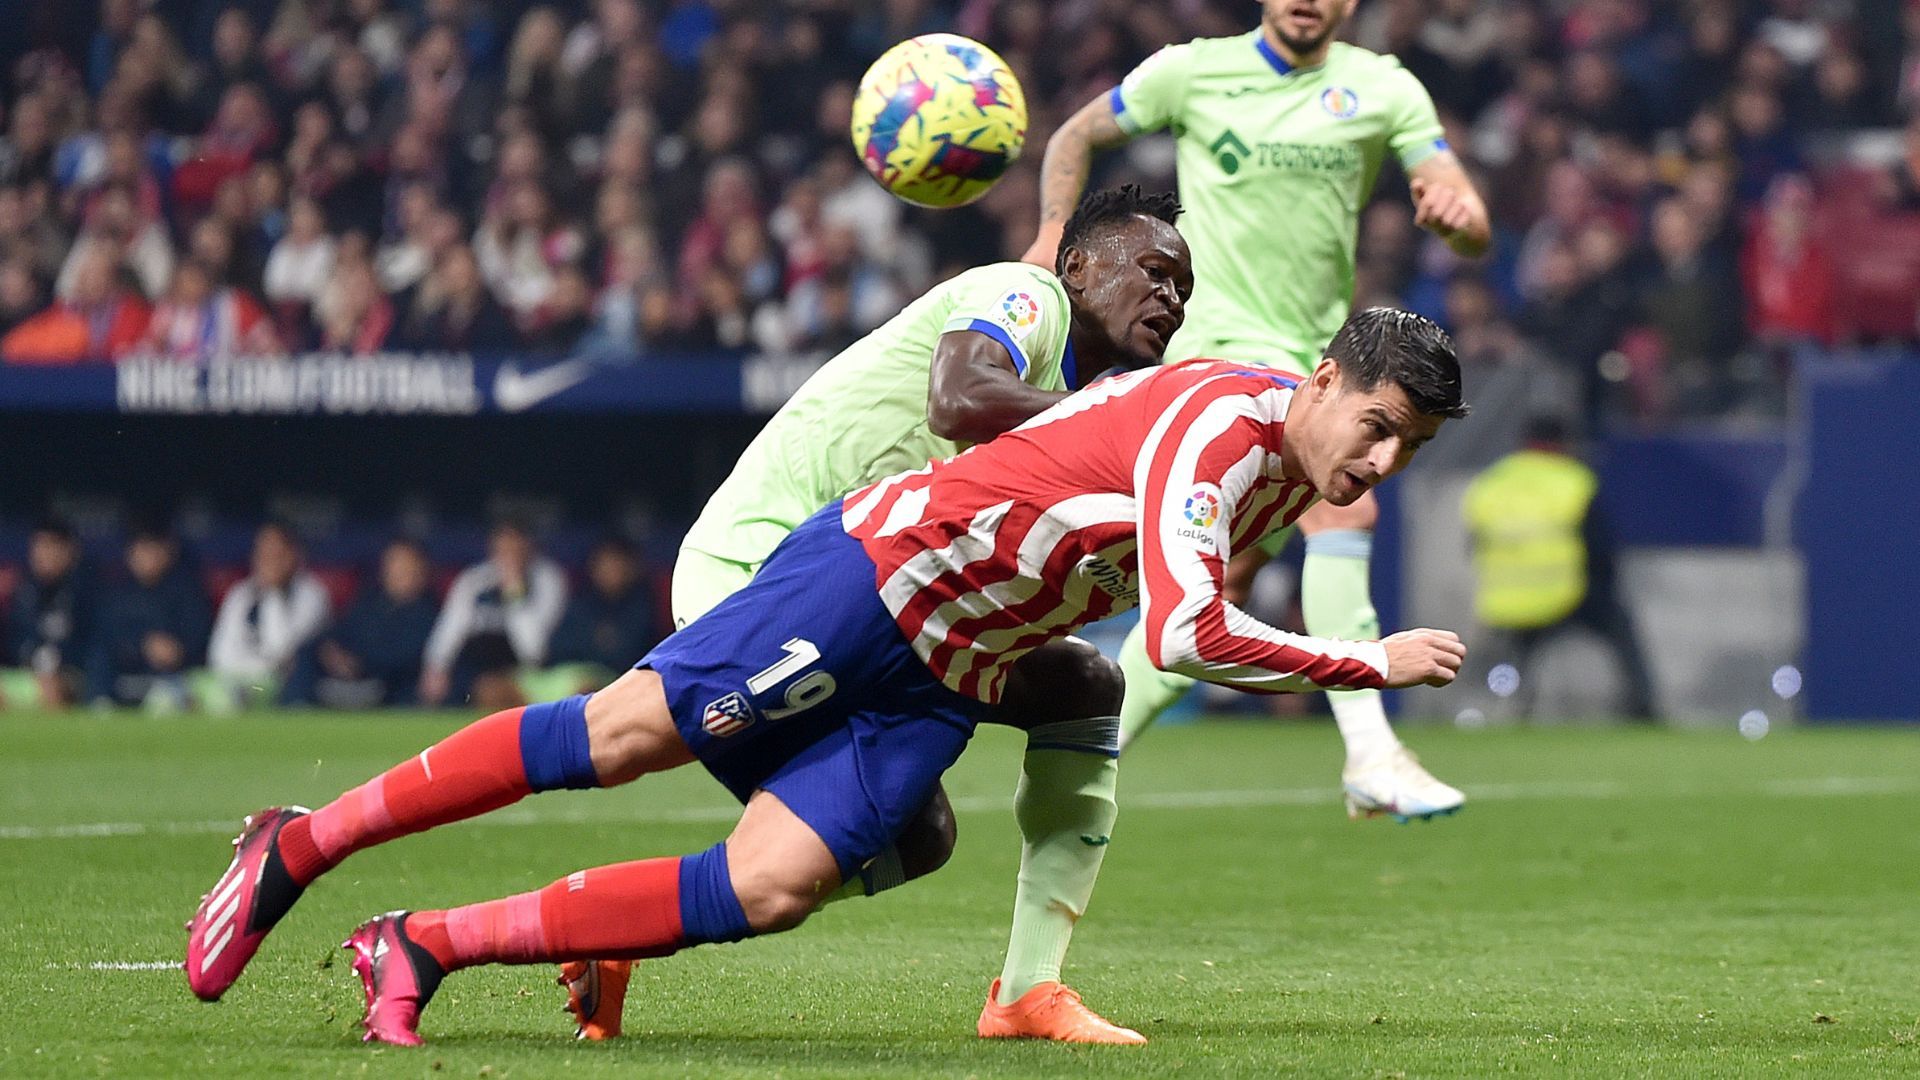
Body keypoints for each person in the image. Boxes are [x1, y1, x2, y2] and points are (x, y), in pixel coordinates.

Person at [182, 307, 1470, 1048]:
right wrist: (1375, 663)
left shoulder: (1287, 480)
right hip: (876, 578)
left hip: (949, 668)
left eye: (1402, 449)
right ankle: (302, 845)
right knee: (622, 737)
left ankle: (417, 946)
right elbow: (1186, 635)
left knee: (775, 883)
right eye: (1374, 427)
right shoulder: (1219, 437)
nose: (1379, 462)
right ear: (1322, 381)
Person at [560, 185, 1194, 1042]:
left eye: (1184, 290)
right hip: (756, 578)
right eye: (1155, 272)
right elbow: (960, 398)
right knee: (633, 750)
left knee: (1002, 758)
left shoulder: (1093, 401)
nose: (1171, 299)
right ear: (1080, 266)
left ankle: (1028, 992)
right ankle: (574, 918)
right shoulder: (1024, 295)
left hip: (875, 600)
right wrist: (1125, 444)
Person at [1004, 0, 1491, 1039]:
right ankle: (1368, 746)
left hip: (1331, 373)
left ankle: (1088, 743)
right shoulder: (1193, 72)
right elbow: (1076, 131)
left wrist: (1461, 209)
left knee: (1189, 620)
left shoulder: (1384, 88)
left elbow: (1461, 201)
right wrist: (1052, 237)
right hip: (1228, 364)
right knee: (1333, 517)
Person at [1461, 416, 1655, 722]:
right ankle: (1643, 708)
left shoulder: (1491, 482)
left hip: (1506, 601)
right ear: (1561, 443)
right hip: (1566, 593)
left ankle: (1506, 709)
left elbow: (1473, 543)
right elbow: (1600, 547)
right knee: (1620, 632)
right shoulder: (1573, 480)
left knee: (1518, 656)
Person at [419, 519, 568, 712]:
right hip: (474, 667)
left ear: (528, 545)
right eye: (503, 545)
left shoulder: (547, 578)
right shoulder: (475, 578)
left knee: (492, 689)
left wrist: (514, 590)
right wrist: (437, 666)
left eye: (515, 545)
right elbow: (452, 625)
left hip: (527, 671)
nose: (508, 553)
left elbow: (534, 652)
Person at [288, 539, 441, 709]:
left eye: (407, 565)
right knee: (308, 651)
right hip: (346, 679)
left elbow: (406, 659)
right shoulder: (369, 602)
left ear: (422, 570)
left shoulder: (430, 612)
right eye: (394, 563)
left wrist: (359, 664)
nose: (399, 571)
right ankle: (294, 709)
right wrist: (332, 652)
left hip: (388, 688)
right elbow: (339, 631)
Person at [205, 522, 331, 710]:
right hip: (232, 680)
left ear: (293, 555)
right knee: (170, 694)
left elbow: (281, 649)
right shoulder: (240, 593)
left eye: (277, 554)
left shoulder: (311, 594)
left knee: (233, 698)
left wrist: (273, 593)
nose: (269, 561)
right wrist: (233, 677)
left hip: (277, 685)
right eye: (263, 553)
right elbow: (219, 653)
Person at [87, 524, 212, 710]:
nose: (148, 557)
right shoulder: (117, 593)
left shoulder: (187, 590)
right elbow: (106, 638)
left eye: (154, 549)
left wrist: (177, 649)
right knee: (99, 660)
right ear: (130, 554)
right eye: (142, 549)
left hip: (175, 676)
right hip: (127, 674)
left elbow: (200, 635)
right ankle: (101, 703)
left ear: (167, 552)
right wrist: (142, 645)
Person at [2, 517, 94, 709]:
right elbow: (13, 641)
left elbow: (91, 647)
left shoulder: (85, 591)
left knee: (52, 689)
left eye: (53, 546)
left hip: (69, 675)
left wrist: (55, 667)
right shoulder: (23, 591)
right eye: (40, 546)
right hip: (25, 673)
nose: (45, 554)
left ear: (70, 550)